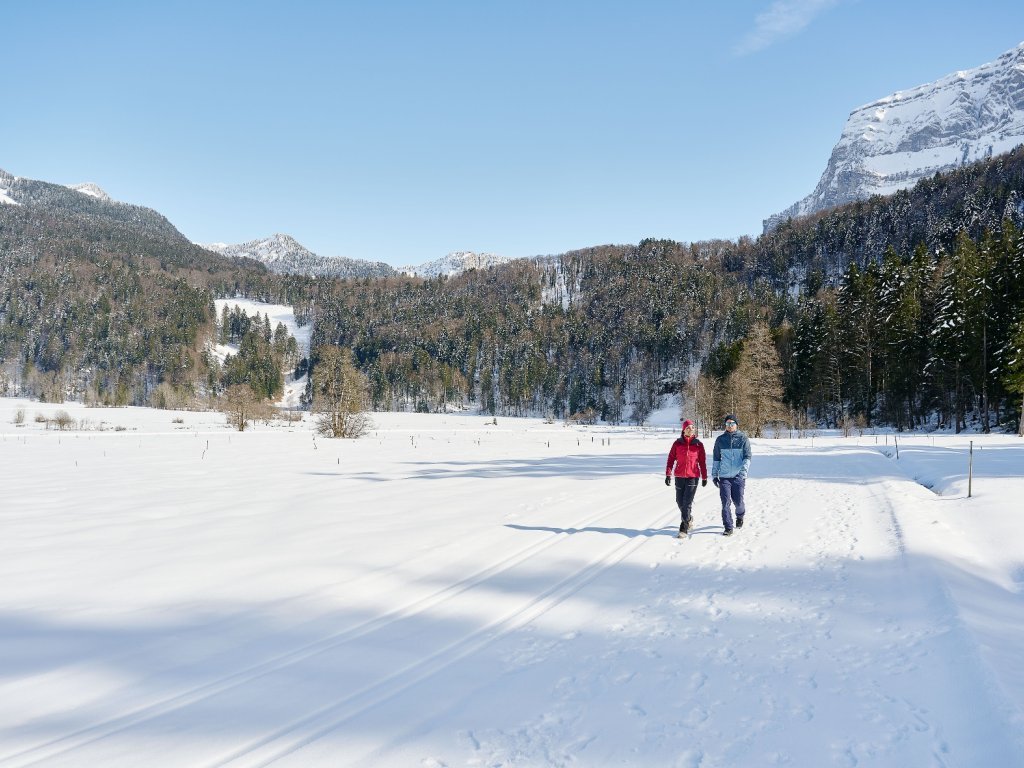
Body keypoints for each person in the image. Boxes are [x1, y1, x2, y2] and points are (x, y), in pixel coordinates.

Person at [665, 419, 707, 537]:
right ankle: (688, 518)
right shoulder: (677, 443)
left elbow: (702, 462)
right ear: (683, 430)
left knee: (687, 502)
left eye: (692, 427)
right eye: (688, 427)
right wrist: (668, 474)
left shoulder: (698, 444)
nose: (690, 429)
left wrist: (704, 477)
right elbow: (670, 459)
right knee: (679, 501)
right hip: (679, 476)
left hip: (693, 476)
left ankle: (683, 527)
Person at [711, 414, 752, 536]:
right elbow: (716, 459)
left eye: (732, 424)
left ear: (736, 425)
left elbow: (747, 457)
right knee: (725, 503)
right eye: (727, 424)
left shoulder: (743, 439)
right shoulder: (720, 440)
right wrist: (714, 475)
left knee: (738, 502)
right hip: (724, 477)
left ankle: (740, 516)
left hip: (738, 477)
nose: (730, 426)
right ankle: (728, 527)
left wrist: (742, 473)